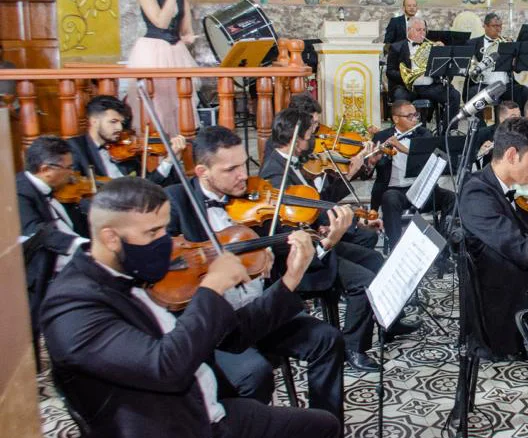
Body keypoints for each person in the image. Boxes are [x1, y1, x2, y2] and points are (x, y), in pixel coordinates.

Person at [40, 178, 341, 438]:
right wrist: (211, 287)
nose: (166, 243)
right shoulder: (72, 307)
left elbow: (232, 338)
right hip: (173, 425)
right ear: (109, 237)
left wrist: (290, 278)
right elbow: (166, 367)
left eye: (165, 230)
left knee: (323, 425)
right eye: (153, 233)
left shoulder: (138, 273)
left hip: (210, 407)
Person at [164, 126, 351, 412]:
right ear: (202, 172)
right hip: (216, 328)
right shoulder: (176, 202)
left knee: (328, 340)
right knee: (254, 372)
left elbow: (291, 254)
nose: (244, 175)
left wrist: (325, 243)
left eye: (243, 163)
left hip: (258, 312)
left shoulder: (255, 198)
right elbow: (169, 275)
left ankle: (326, 428)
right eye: (231, 169)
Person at [259, 110, 417, 371]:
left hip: (319, 240)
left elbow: (320, 205)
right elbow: (287, 231)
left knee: (376, 259)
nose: (316, 139)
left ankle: (388, 322)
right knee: (363, 282)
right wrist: (328, 233)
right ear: (296, 138)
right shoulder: (275, 175)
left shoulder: (297, 161)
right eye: (312, 134)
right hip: (304, 256)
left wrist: (347, 217)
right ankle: (354, 348)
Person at [461, 117, 528, 358]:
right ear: (511, 155)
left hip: (518, 289)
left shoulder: (513, 185)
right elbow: (522, 250)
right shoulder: (476, 194)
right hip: (499, 316)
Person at [18, 136, 90, 338]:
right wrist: (82, 246)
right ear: (45, 169)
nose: (72, 174)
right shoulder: (20, 191)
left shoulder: (53, 190)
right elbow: (38, 232)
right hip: (41, 273)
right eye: (67, 168)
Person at [125, 0, 199, 137]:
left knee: (178, 103)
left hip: (176, 51)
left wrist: (188, 37)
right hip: (153, 51)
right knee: (156, 103)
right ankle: (155, 152)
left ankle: (178, 150)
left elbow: (185, 28)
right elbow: (160, 21)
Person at [368, 101, 457, 248]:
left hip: (422, 189)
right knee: (390, 198)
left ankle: (441, 247)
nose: (415, 119)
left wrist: (403, 148)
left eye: (416, 115)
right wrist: (371, 162)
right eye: (410, 116)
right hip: (396, 191)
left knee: (451, 198)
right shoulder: (381, 136)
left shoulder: (424, 134)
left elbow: (431, 158)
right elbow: (367, 174)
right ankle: (395, 248)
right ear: (396, 119)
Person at [68, 95, 186, 185]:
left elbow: (148, 185)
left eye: (121, 123)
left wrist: (169, 161)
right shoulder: (75, 147)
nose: (119, 128)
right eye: (113, 122)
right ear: (94, 121)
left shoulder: (127, 150)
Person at [385, 17, 461, 131]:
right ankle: (403, 133)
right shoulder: (396, 47)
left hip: (430, 86)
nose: (422, 33)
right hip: (406, 87)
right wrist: (408, 77)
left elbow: (446, 71)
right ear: (409, 30)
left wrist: (442, 53)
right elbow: (390, 71)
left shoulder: (432, 46)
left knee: (454, 95)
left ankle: (448, 132)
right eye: (418, 30)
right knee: (399, 98)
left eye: (424, 30)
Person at [465, 12, 528, 109]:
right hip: (484, 85)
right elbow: (468, 67)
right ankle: (479, 124)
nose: (498, 29)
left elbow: (517, 69)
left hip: (506, 85)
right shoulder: (472, 43)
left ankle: (519, 122)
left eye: (500, 26)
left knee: (523, 91)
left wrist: (514, 59)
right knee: (473, 93)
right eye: (495, 26)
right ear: (485, 26)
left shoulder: (508, 42)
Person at [470, 100, 520, 168]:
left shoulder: (523, 133)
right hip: (491, 174)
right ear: (501, 118)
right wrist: (480, 152)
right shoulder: (485, 133)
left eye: (519, 116)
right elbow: (471, 158)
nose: (519, 120)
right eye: (513, 116)